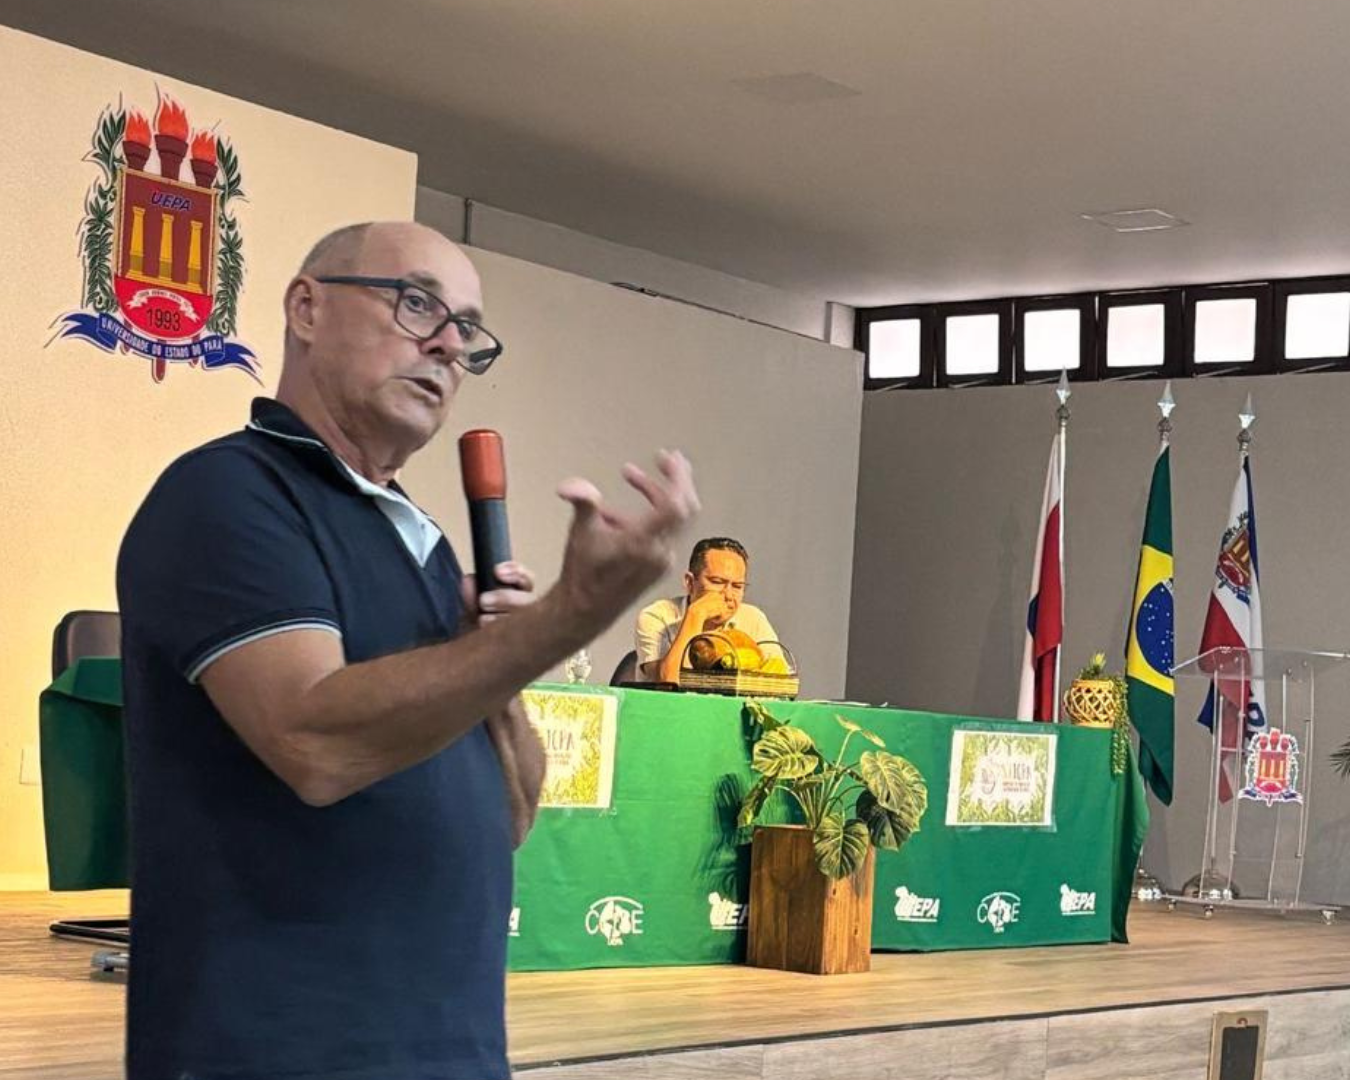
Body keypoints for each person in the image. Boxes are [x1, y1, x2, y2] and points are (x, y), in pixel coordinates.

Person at [116, 221, 699, 1080]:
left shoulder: (420, 541)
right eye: (416, 303)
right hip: (275, 1049)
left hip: (443, 1046)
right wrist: (570, 616)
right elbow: (314, 743)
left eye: (467, 329)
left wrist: (496, 659)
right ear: (307, 308)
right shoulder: (229, 496)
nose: (447, 346)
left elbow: (510, 814)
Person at [634, 536, 778, 683]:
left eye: (737, 586)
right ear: (690, 583)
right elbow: (666, 683)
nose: (728, 595)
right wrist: (696, 615)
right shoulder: (656, 617)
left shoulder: (753, 619)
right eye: (717, 582)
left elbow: (780, 683)